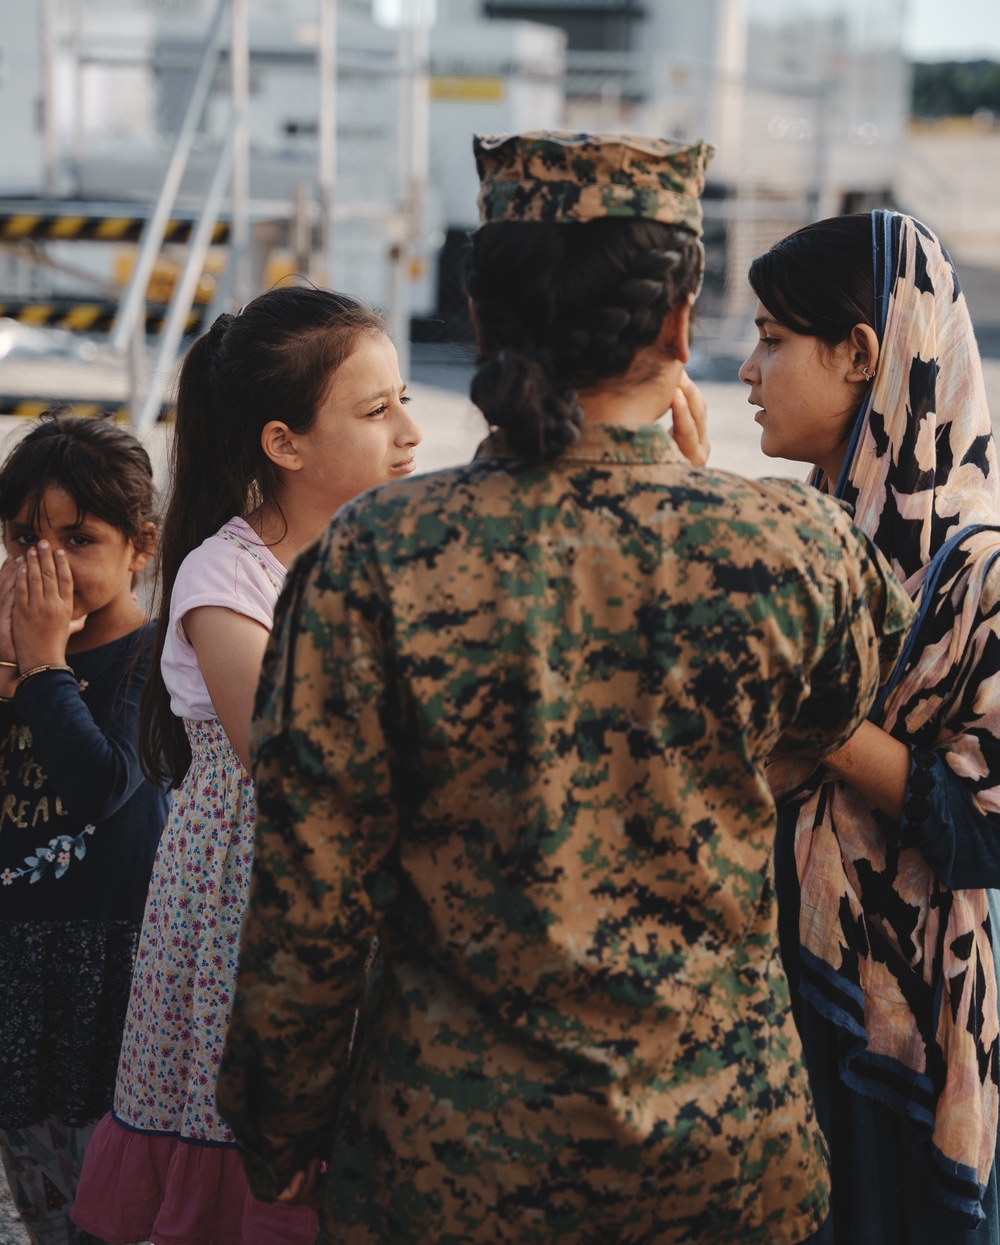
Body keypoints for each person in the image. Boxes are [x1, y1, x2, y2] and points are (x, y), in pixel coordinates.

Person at [215, 132, 915, 1245]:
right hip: (723, 1164)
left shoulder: (371, 558)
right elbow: (835, 709)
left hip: (444, 1165)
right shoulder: (797, 549)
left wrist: (277, 1115)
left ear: (483, 322)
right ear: (680, 327)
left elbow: (308, 892)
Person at [72, 285, 422, 1245]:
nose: (411, 431)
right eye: (376, 409)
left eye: (404, 399)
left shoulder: (387, 555)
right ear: (283, 443)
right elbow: (292, 759)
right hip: (254, 907)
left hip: (364, 891)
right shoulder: (226, 575)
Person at [740, 210, 1000, 1244]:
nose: (749, 369)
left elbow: (985, 828)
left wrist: (824, 721)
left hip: (899, 1033)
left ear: (859, 354)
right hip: (779, 1000)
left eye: (771, 339)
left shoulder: (975, 574)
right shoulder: (798, 537)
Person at [0, 413, 165, 1245]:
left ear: (141, 546)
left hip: (109, 966)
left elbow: (103, 784)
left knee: (109, 1202)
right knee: (40, 1195)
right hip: (20, 962)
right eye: (24, 535)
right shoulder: (11, 655)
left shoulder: (153, 658)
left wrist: (42, 665)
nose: (43, 562)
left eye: (77, 538)